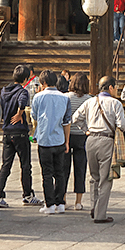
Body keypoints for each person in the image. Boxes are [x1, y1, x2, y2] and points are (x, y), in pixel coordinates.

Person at [71, 76, 125, 224]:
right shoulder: (115, 103)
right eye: (115, 87)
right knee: (105, 179)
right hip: (106, 141)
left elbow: (75, 118)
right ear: (110, 88)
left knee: (93, 177)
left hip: (90, 140)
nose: (116, 90)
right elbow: (122, 124)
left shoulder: (89, 101)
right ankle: (100, 214)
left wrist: (86, 130)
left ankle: (94, 207)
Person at [0, 65, 38, 208]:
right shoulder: (22, 91)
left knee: (6, 165)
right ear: (25, 79)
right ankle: (27, 195)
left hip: (7, 131)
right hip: (19, 131)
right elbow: (22, 102)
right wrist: (19, 113)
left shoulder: (4, 91)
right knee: (25, 165)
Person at [30, 70, 70, 214]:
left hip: (44, 139)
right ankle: (60, 202)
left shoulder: (38, 97)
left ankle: (50, 204)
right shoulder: (65, 98)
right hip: (59, 138)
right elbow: (67, 121)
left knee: (47, 173)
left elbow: (34, 115)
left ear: (43, 83)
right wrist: (67, 141)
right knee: (60, 172)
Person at [64, 72, 92, 211]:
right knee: (80, 169)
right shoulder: (90, 99)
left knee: (64, 169)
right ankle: (78, 201)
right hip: (82, 135)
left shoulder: (65, 97)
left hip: (67, 136)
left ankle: (62, 198)